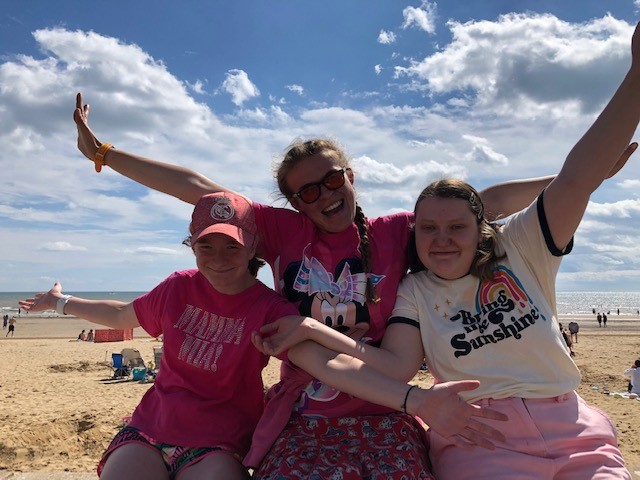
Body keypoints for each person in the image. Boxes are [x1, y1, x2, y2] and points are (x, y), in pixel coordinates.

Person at [71, 91, 557, 478]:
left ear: (349, 176)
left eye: (330, 180)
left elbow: (478, 205)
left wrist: (572, 181)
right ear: (295, 204)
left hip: (384, 410)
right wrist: (105, 154)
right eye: (307, 191)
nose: (324, 195)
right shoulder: (283, 233)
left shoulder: (393, 232)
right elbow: (199, 189)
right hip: (304, 414)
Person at [252, 22, 640, 480]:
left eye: (457, 226)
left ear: (482, 227)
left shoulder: (522, 249)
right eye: (429, 228)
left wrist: (636, 75)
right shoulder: (415, 291)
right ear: (414, 236)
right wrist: (308, 327)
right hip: (477, 433)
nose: (442, 239)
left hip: (572, 430)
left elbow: (573, 178)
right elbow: (394, 365)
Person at [19, 192, 300, 480]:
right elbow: (120, 314)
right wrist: (59, 302)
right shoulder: (178, 286)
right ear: (192, 245)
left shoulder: (269, 308)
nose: (219, 259)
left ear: (252, 246)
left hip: (218, 442)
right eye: (206, 245)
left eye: (232, 246)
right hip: (150, 428)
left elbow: (310, 357)